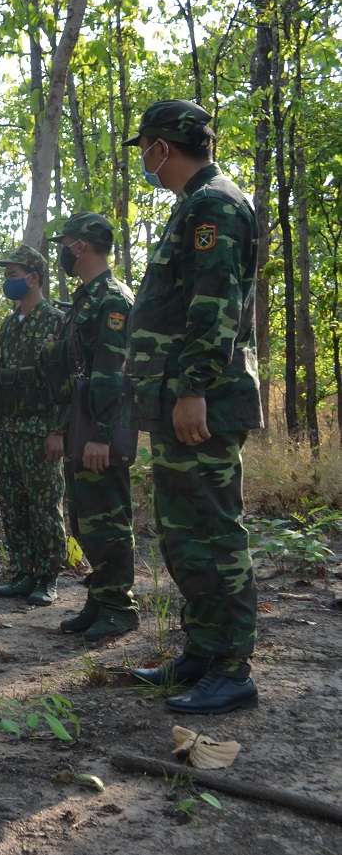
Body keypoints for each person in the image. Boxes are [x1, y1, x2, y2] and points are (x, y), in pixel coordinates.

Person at [123, 99, 262, 715]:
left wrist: (194, 387)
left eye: (147, 147)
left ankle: (233, 668)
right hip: (178, 402)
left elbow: (216, 304)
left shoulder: (214, 207)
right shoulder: (195, 206)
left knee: (212, 531)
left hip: (202, 401)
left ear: (163, 147)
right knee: (184, 537)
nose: (146, 161)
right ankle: (203, 652)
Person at [43, 213, 138, 641]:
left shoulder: (112, 298)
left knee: (108, 521)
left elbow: (111, 372)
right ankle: (99, 599)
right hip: (80, 421)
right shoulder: (85, 297)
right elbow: (75, 369)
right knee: (84, 521)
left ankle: (120, 606)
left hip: (102, 426)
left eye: (64, 242)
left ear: (80, 245)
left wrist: (101, 434)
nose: (61, 249)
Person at [0, 246, 67, 606]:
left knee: (44, 505)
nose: (7, 282)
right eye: (6, 276)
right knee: (14, 504)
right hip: (9, 429)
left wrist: (58, 430)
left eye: (13, 275)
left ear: (33, 278)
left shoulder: (55, 320)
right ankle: (21, 572)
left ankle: (47, 578)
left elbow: (66, 381)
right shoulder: (9, 322)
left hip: (41, 429)